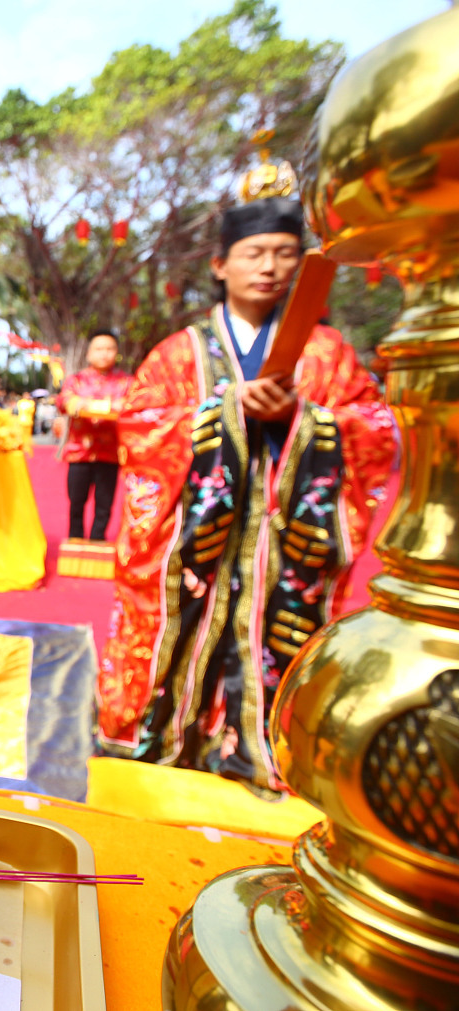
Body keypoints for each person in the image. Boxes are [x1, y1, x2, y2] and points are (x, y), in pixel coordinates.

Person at [98, 191, 397, 793]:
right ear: (220, 265)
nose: (269, 267)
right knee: (173, 628)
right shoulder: (181, 352)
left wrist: (306, 419)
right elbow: (141, 427)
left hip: (282, 545)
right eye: (254, 252)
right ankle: (162, 735)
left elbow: (376, 429)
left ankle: (257, 745)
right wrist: (226, 409)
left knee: (280, 639)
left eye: (286, 255)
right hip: (198, 547)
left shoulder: (326, 353)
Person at [58, 330, 133, 541]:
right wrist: (105, 406)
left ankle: (98, 541)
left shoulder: (127, 383)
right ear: (89, 353)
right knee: (76, 501)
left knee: (104, 503)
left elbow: (132, 407)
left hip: (110, 453)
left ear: (116, 353)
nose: (104, 354)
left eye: (109, 349)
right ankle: (75, 540)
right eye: (99, 349)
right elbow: (64, 402)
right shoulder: (76, 380)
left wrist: (88, 405)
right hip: (79, 452)